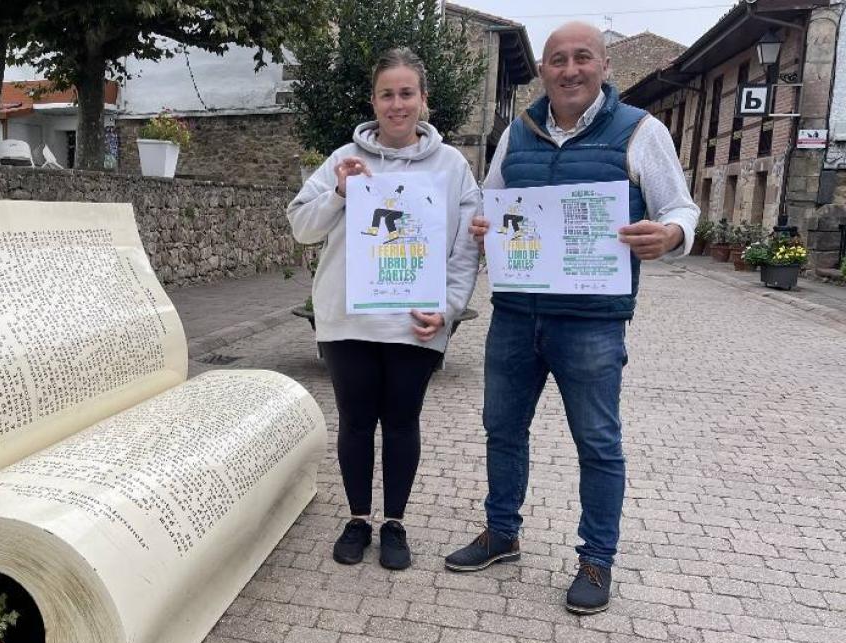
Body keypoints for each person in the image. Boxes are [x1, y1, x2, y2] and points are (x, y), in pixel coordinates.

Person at [444, 22, 699, 613]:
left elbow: (681, 204)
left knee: (598, 443)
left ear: (604, 66)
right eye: (557, 59)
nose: (570, 69)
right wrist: (483, 227)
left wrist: (671, 232)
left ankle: (596, 560)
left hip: (590, 320)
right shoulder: (518, 131)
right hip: (514, 314)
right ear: (544, 72)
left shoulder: (640, 129)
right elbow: (490, 197)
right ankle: (501, 532)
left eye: (583, 57)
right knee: (502, 429)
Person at [287, 47, 481, 571]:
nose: (396, 104)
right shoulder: (341, 159)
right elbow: (302, 227)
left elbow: (465, 248)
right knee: (354, 421)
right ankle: (357, 518)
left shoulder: (452, 167)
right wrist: (339, 192)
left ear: (423, 100)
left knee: (401, 422)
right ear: (373, 100)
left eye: (407, 94)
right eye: (386, 94)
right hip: (347, 319)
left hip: (415, 319)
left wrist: (449, 306)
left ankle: (393, 522)